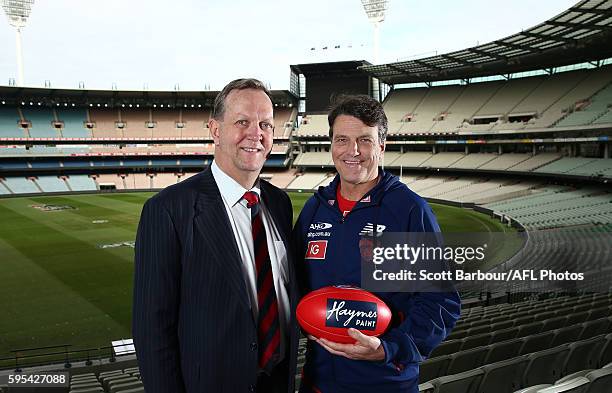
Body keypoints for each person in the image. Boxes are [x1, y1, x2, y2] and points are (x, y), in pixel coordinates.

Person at [133, 78, 299, 393]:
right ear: (215, 130)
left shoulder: (280, 203)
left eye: (266, 124)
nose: (256, 134)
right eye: (243, 122)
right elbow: (151, 331)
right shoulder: (168, 210)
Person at [293, 95, 461, 393]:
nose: (352, 151)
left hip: (384, 383)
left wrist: (390, 349)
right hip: (318, 383)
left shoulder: (408, 210)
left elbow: (440, 302)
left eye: (365, 140)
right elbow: (291, 286)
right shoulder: (315, 210)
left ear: (381, 147)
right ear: (331, 145)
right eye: (342, 139)